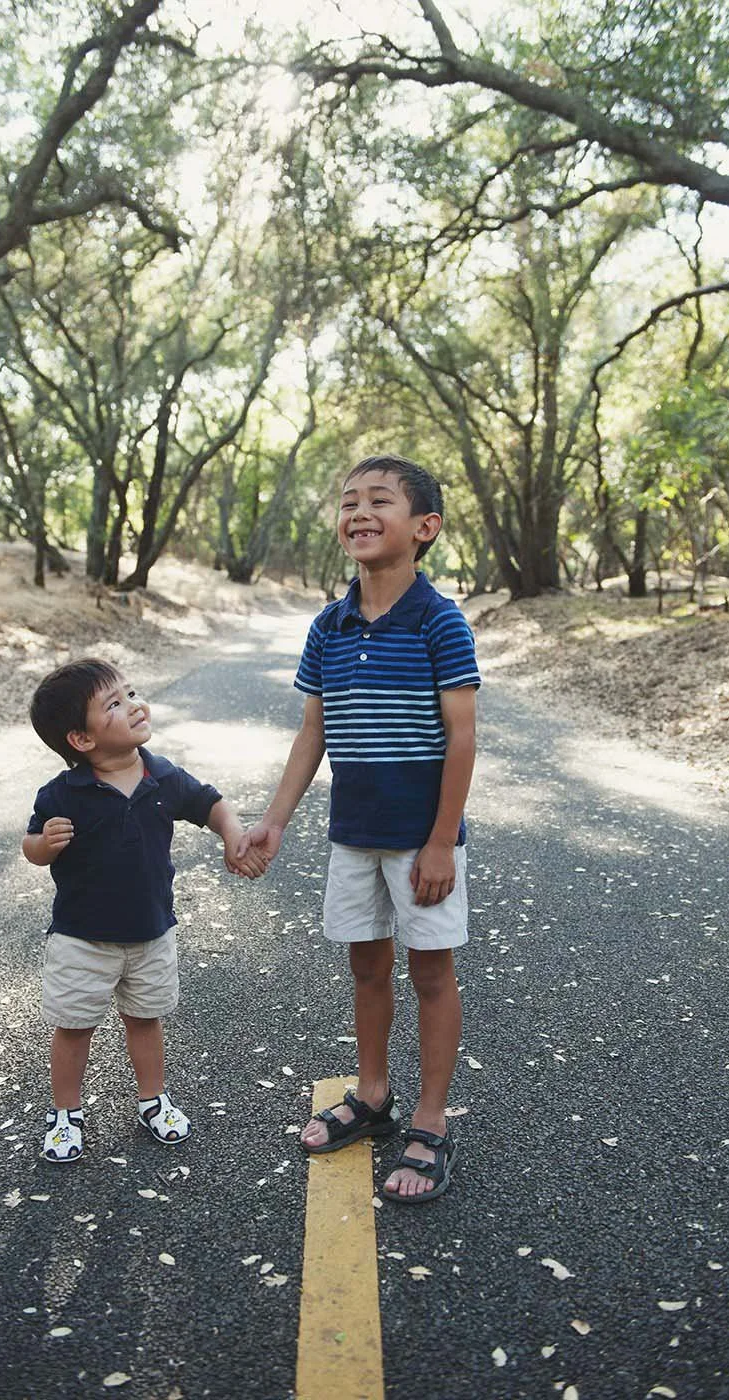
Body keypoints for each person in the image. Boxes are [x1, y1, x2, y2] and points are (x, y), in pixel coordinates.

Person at [238, 455, 480, 1203]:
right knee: (367, 969)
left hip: (420, 838)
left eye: (380, 500)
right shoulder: (329, 626)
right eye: (349, 502)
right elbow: (313, 730)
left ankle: (430, 1118)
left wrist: (440, 841)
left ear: (424, 527)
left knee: (430, 972)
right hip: (354, 834)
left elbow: (462, 738)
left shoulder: (439, 622)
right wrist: (275, 820)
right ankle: (373, 1096)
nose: (360, 513)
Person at [22, 657, 265, 1165]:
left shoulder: (161, 776)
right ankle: (65, 1112)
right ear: (81, 739)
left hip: (152, 932)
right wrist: (44, 845)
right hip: (82, 938)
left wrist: (233, 835)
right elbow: (31, 845)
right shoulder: (62, 794)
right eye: (114, 703)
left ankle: (152, 1099)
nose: (135, 706)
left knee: (145, 1018)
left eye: (131, 694)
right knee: (74, 1026)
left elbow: (211, 804)